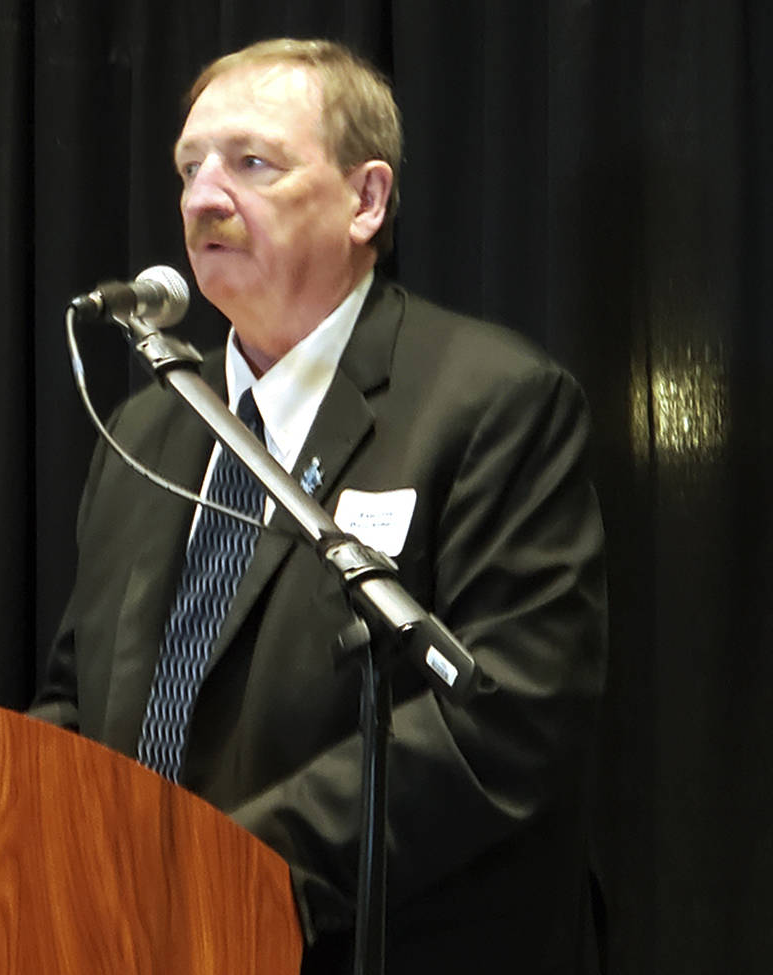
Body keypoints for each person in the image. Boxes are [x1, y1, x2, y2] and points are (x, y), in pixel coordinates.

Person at [31, 38, 607, 975]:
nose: (203, 198)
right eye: (188, 168)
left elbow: (505, 717)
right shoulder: (143, 428)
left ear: (366, 200)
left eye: (251, 163)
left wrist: (234, 872)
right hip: (138, 939)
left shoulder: (491, 401)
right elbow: (77, 696)